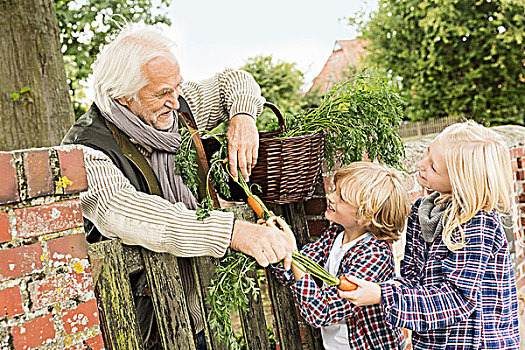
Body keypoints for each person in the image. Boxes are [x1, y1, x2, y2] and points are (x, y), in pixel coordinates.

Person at [62, 25, 293, 349]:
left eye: (177, 87)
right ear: (122, 96)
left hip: (202, 310)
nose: (175, 101)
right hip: (144, 327)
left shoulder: (178, 110)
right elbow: (130, 214)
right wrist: (233, 233)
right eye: (161, 93)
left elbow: (235, 80)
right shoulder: (85, 149)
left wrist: (243, 116)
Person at [339, 121, 520, 349]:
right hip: (431, 340)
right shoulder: (422, 212)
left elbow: (457, 300)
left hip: (474, 342)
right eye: (427, 151)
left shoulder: (477, 225)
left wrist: (383, 296)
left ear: (459, 183)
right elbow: (412, 275)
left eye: (434, 167)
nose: (420, 164)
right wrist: (380, 289)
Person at [270, 162, 409, 349]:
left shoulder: (374, 255)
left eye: (341, 197)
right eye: (335, 190)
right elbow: (288, 273)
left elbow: (320, 311)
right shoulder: (336, 234)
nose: (331, 197)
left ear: (366, 217)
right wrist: (276, 242)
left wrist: (293, 253)